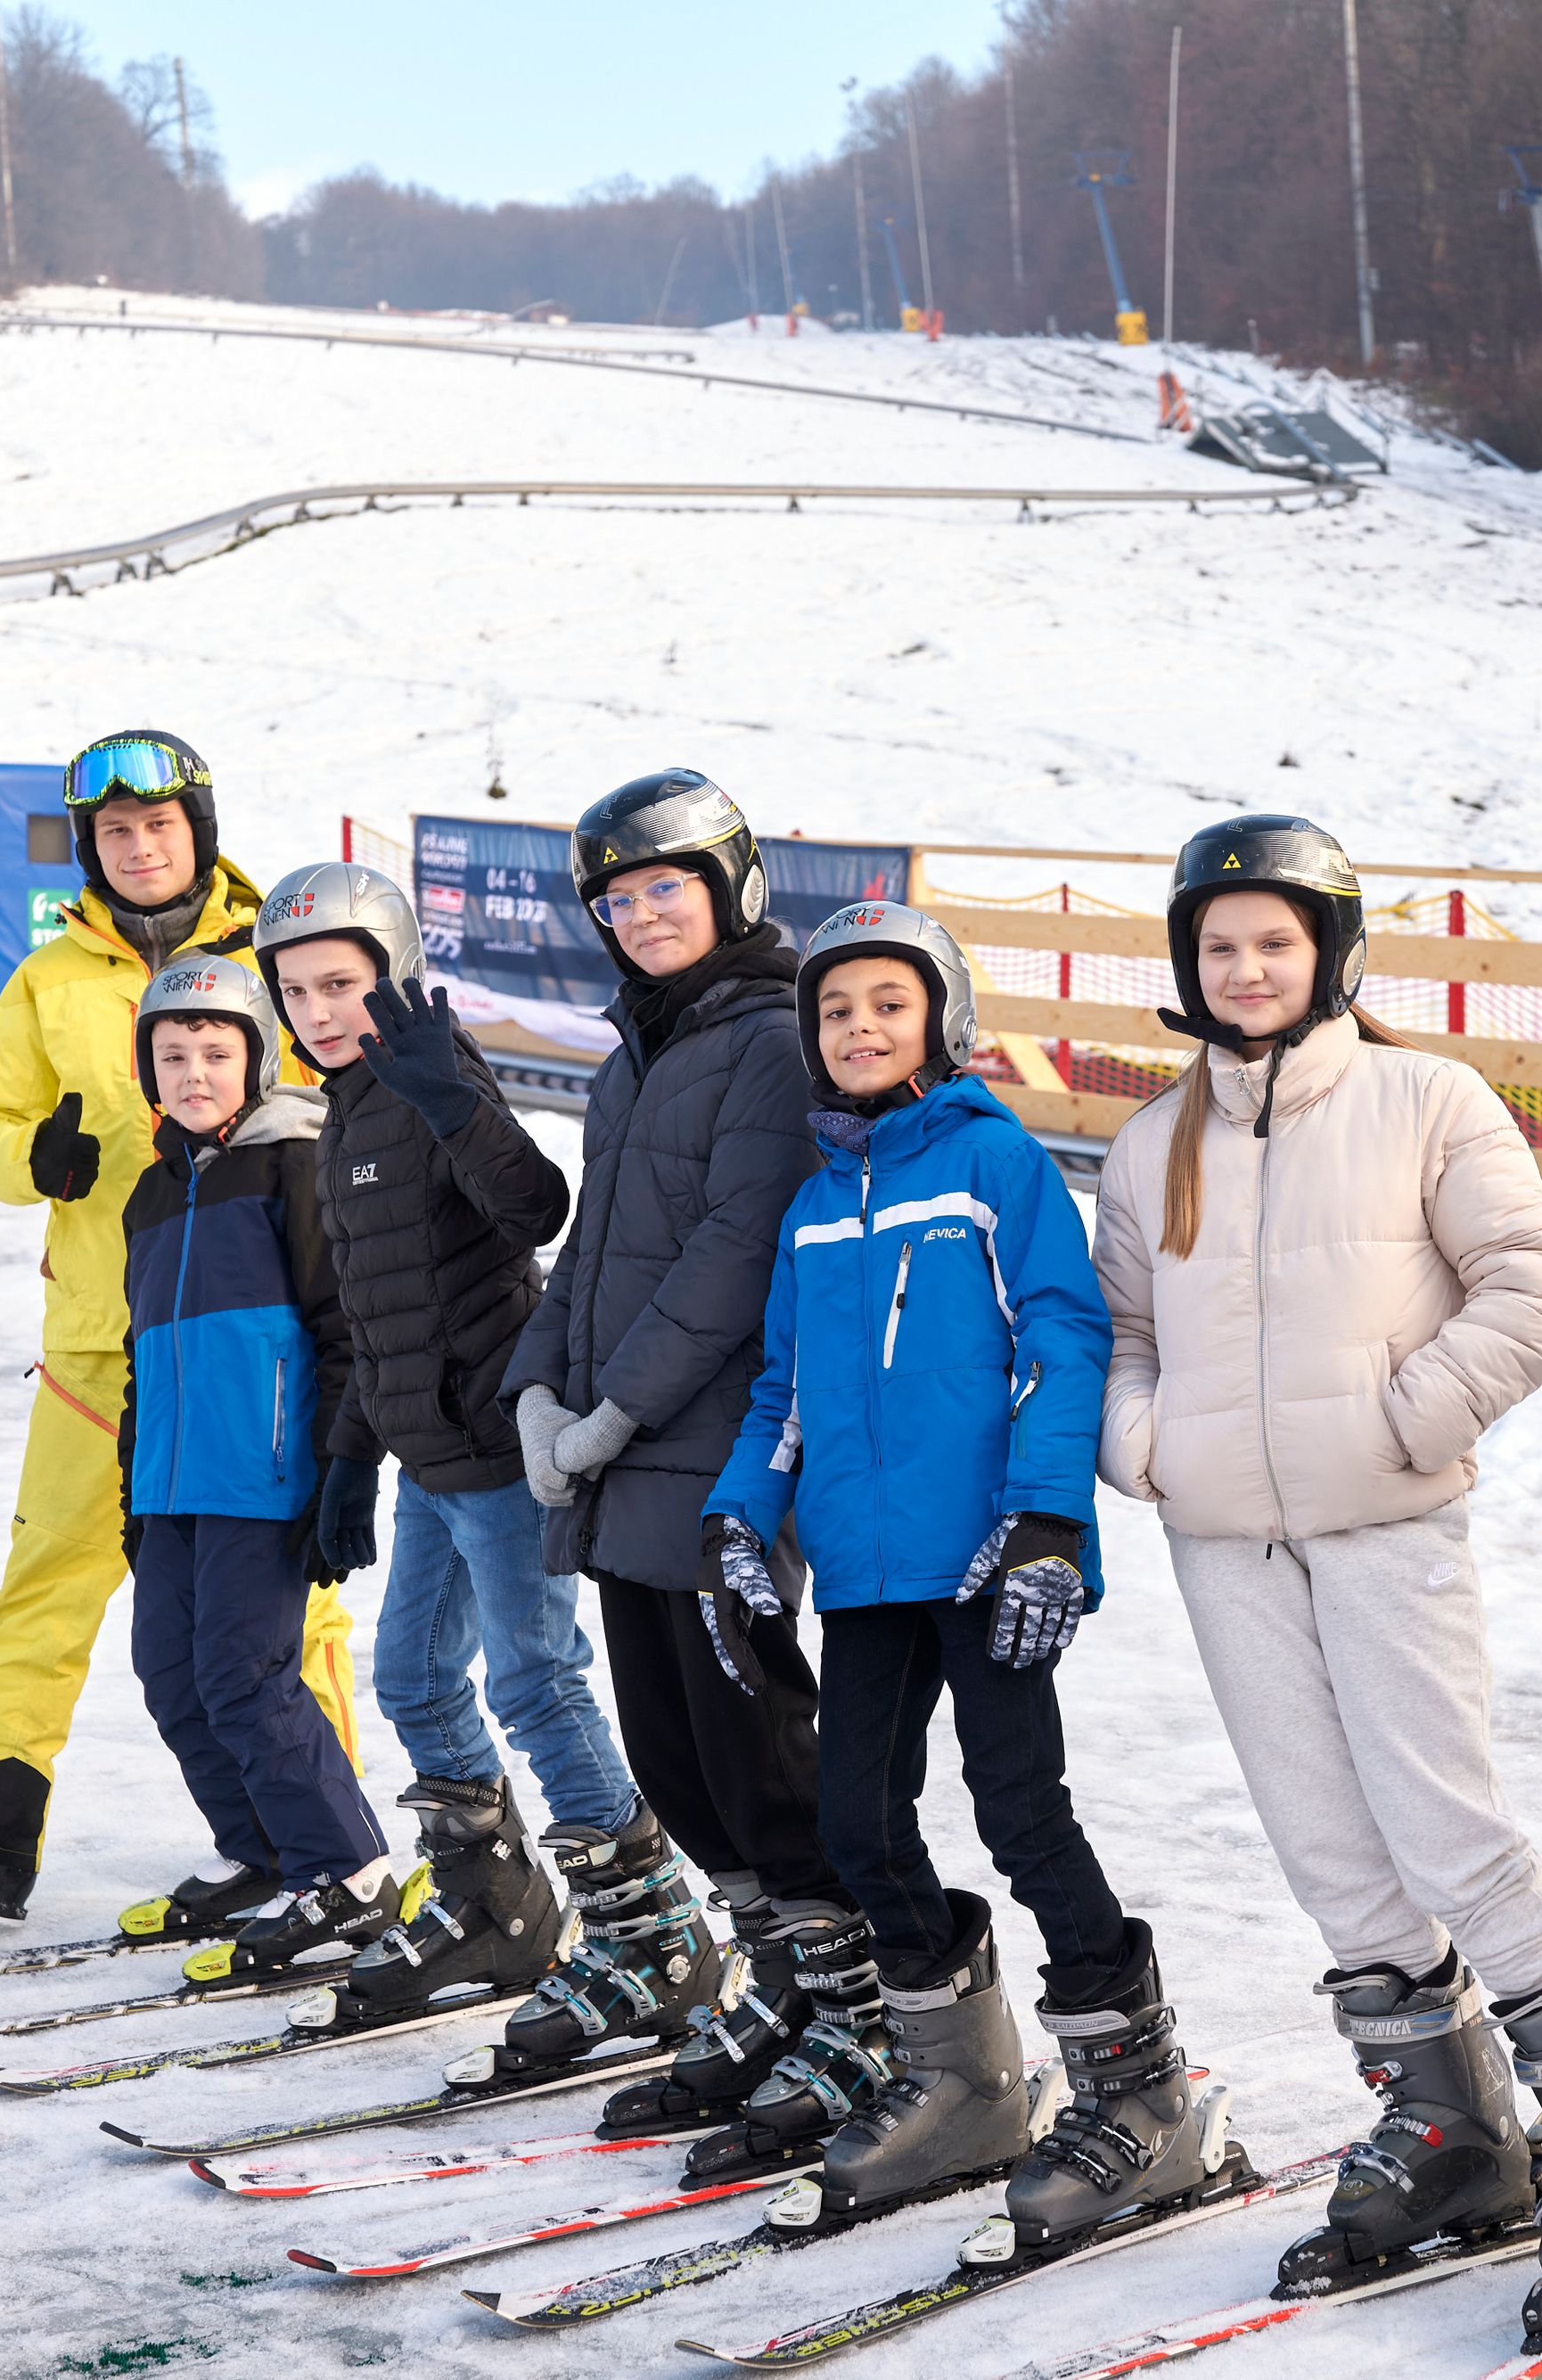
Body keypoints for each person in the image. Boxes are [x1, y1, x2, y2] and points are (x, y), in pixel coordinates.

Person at [1091, 815, 1542, 2349]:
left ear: (1329, 952)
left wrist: (1405, 1419)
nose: (1248, 967)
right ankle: (1450, 2129)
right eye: (1221, 945)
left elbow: (1534, 1285)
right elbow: (1126, 1332)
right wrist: (1148, 1445)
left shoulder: (1423, 1101)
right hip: (1223, 1537)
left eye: (1276, 940)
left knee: (1448, 1827)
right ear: (1190, 965)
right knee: (1326, 1842)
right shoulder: (1148, 1143)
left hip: (1387, 1527)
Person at [699, 899, 1224, 2240]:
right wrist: (738, 1522)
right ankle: (963, 2073)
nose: (860, 1026)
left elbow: (1064, 1336)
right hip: (870, 1574)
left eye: (888, 1001)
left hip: (988, 1557)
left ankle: (1140, 2079)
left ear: (941, 1016)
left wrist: (1048, 1515)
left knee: (1021, 1814)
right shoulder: (816, 1204)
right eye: (836, 1009)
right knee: (856, 1825)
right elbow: (785, 1391)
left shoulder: (994, 1166)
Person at [0, 728, 360, 1926]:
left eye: (158, 825)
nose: (138, 845)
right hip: (98, 1349)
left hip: (247, 1345)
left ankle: (339, 1850)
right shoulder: (47, 979)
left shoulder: (280, 952)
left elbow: (342, 1096)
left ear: (198, 832)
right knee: (48, 1583)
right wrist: (35, 1157)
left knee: (290, 1606)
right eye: (115, 832)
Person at [489, 767, 857, 2128]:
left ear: (732, 887)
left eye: (666, 886)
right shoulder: (631, 1055)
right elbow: (589, 1250)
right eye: (619, 897)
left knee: (755, 1746)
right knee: (677, 1761)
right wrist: (539, 1386)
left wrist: (614, 1411)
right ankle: (778, 1980)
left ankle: (855, 1999)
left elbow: (733, 1248)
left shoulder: (768, 1037)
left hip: (714, 1457)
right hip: (618, 1462)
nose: (643, 914)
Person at [231, 861, 628, 2023]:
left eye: (341, 983)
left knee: (536, 1683)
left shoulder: (432, 1069)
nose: (317, 1010)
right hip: (424, 1459)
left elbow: (534, 1210)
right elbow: (373, 1310)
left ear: (394, 974)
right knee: (409, 1675)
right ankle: (494, 1905)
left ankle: (649, 1925)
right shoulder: (345, 1105)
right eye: (295, 990)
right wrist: (351, 1456)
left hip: (501, 1452)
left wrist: (453, 1103)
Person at [110, 954, 399, 1990]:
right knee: (174, 1678)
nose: (194, 1073)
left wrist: (334, 1466)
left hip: (264, 1476)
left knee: (246, 1679)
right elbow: (142, 1354)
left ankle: (347, 1871)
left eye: (216, 1053)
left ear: (257, 1060)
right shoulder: (150, 1194)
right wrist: (131, 1488)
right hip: (173, 1485)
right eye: (173, 1055)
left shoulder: (296, 1162)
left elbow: (340, 1328)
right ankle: (261, 1853)